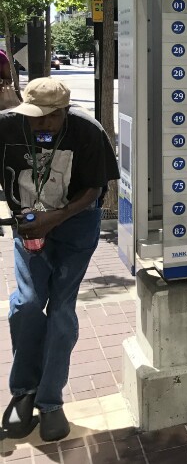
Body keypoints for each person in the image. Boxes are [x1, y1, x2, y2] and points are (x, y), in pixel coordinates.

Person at [0, 78, 118, 442]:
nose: (41, 125)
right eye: (34, 117)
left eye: (49, 118)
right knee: (28, 305)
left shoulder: (87, 131)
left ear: (64, 111)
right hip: (29, 226)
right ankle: (23, 391)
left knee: (61, 310)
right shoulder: (6, 126)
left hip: (75, 226)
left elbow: (94, 190)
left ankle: (50, 400)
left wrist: (55, 218)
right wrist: (30, 221)